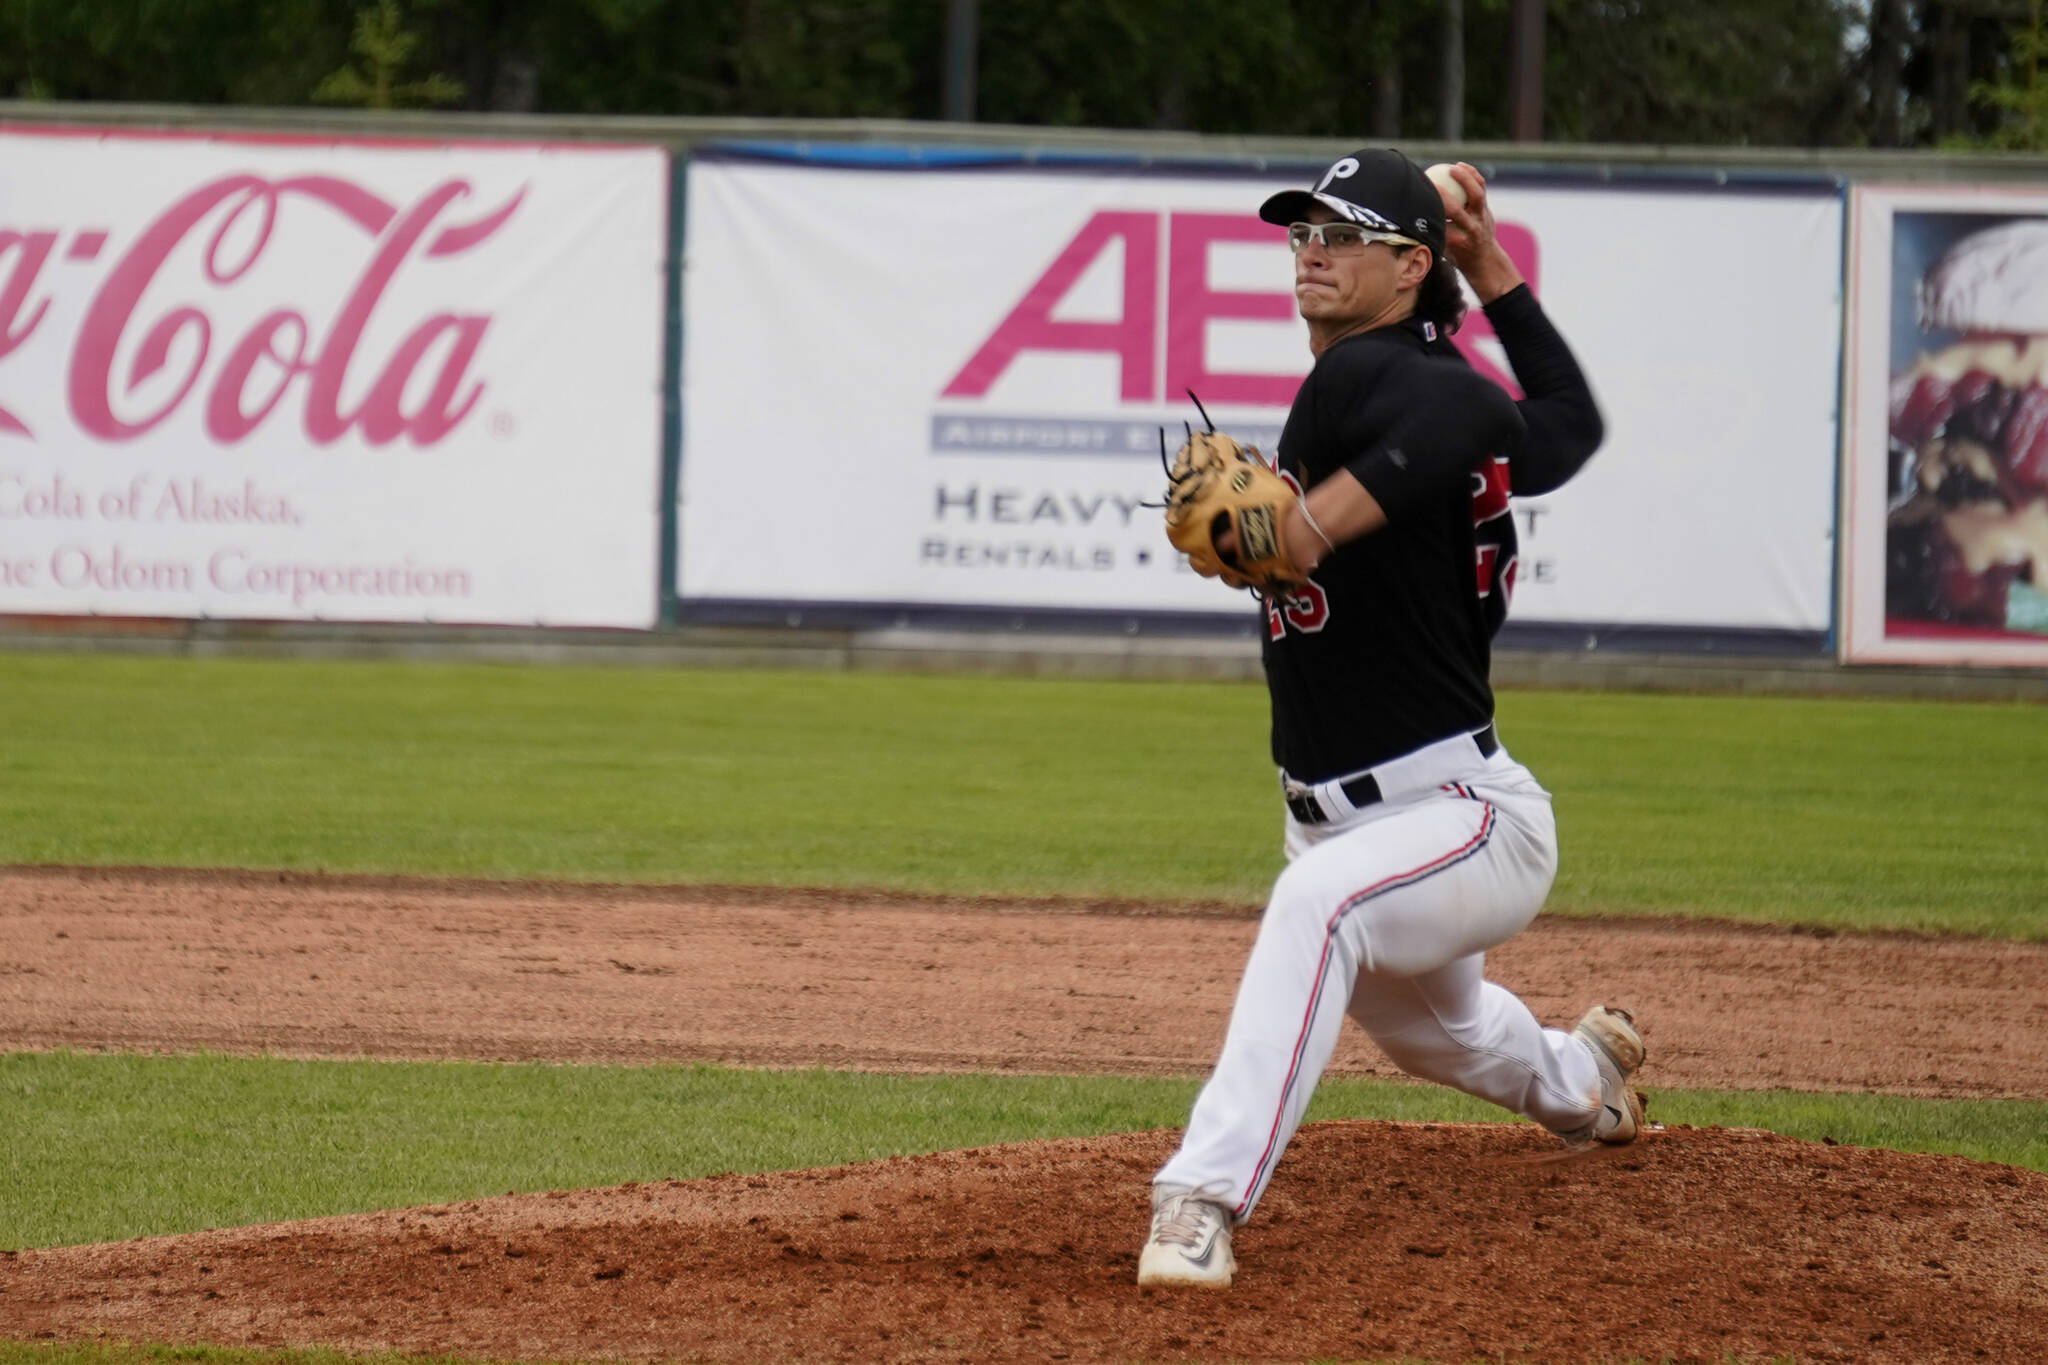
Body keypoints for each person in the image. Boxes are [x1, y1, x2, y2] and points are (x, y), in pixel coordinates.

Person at [1137, 148, 1641, 1291]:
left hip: (1460, 811)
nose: (1311, 249)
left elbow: (1455, 409)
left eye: (1343, 233)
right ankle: (1584, 1084)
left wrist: (1310, 527)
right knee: (1446, 1038)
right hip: (1345, 816)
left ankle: (1201, 1197)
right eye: (1303, 230)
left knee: (1314, 913)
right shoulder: (1387, 375)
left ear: (1406, 267)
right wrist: (1490, 262)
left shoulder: (1381, 374)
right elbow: (1557, 428)